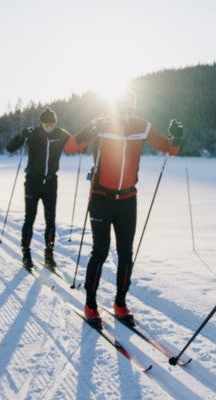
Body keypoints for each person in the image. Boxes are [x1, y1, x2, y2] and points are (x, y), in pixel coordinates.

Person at [64, 88, 183, 325]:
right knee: (100, 251)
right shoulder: (102, 124)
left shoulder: (143, 126)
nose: (126, 114)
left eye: (130, 109)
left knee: (126, 254)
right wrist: (89, 131)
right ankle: (90, 304)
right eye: (122, 109)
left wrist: (176, 138)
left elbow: (169, 149)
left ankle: (120, 302)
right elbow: (70, 147)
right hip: (101, 198)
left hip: (128, 200)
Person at [6, 107, 71, 271]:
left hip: (50, 182)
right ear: (41, 123)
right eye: (46, 124)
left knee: (50, 219)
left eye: (52, 124)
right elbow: (10, 147)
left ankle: (49, 252)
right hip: (33, 182)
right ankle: (26, 252)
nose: (49, 127)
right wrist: (22, 135)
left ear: (55, 123)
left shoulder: (61, 134)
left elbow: (77, 145)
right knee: (30, 218)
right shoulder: (33, 133)